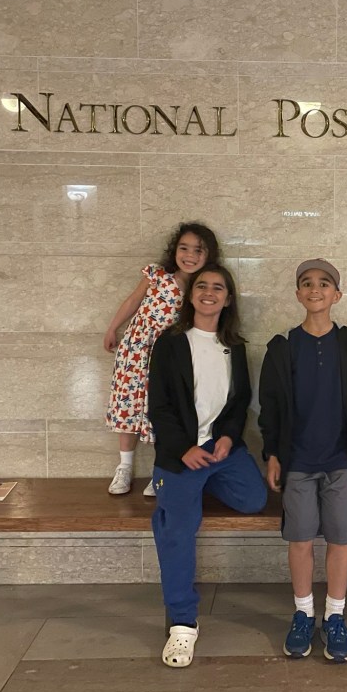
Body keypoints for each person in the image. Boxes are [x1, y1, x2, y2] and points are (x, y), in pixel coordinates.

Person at [147, 264, 268, 668]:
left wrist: (229, 437)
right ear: (191, 294)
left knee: (253, 500)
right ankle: (182, 623)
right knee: (177, 529)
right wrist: (183, 449)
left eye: (218, 287)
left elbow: (239, 401)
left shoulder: (235, 346)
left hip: (220, 451)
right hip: (180, 454)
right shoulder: (170, 343)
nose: (209, 292)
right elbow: (159, 406)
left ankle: (193, 489)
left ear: (228, 299)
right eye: (202, 285)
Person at [259, 259, 347, 663]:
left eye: (324, 284)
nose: (315, 289)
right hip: (298, 463)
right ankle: (304, 613)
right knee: (301, 539)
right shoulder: (283, 346)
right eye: (307, 283)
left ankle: (335, 616)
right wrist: (273, 454)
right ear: (297, 294)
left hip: (340, 460)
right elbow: (270, 408)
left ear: (336, 295)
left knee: (341, 538)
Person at [103, 222, 220, 496]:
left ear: (209, 255)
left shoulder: (200, 288)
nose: (190, 255)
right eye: (184, 248)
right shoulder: (157, 275)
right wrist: (112, 328)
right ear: (174, 250)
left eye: (198, 250)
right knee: (128, 405)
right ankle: (124, 467)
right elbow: (132, 301)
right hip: (136, 350)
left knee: (162, 409)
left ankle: (161, 470)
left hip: (168, 354)